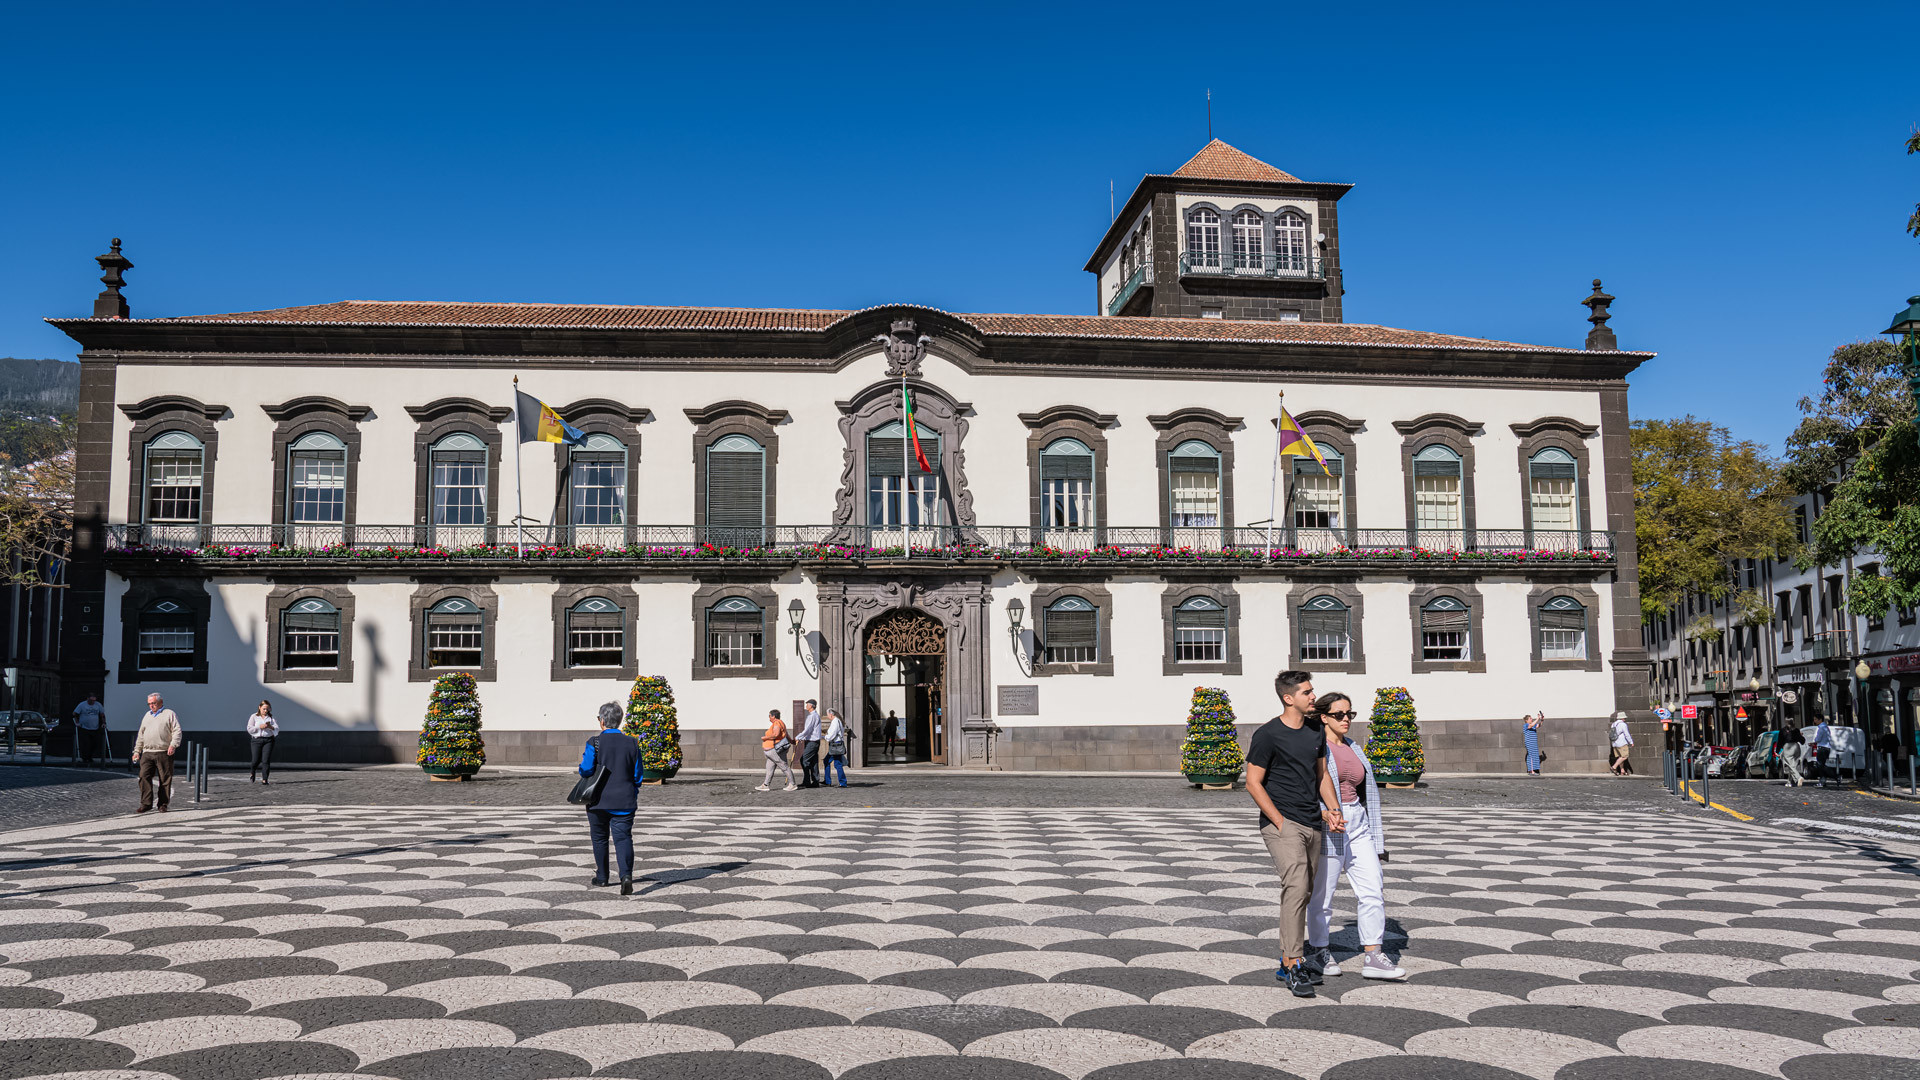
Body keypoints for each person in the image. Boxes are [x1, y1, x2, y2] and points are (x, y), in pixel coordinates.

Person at [1246, 669, 1345, 999]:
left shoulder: (1315, 730)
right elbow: (1253, 782)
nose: (1313, 696)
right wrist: (1278, 821)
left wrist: (1332, 809)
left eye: (1311, 690)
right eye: (1307, 692)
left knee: (1305, 891)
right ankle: (1292, 963)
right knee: (1297, 885)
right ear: (1289, 698)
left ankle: (1289, 958)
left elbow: (1321, 776)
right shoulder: (1268, 735)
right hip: (1283, 824)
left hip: (1313, 821)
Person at [1305, 693, 1406, 981]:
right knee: (1323, 895)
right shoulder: (1315, 747)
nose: (1346, 719)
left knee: (1373, 888)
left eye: (1349, 713)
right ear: (1323, 717)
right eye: (1339, 714)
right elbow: (1305, 787)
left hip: (1358, 822)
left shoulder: (1353, 747)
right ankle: (1319, 950)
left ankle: (1374, 955)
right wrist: (1323, 813)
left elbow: (1366, 792)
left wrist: (1376, 838)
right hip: (1328, 822)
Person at [578, 702, 644, 893]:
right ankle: (626, 876)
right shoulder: (632, 742)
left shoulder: (594, 742)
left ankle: (602, 877)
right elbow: (638, 775)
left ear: (603, 721)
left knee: (599, 838)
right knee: (623, 838)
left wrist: (582, 769)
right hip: (624, 800)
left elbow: (586, 769)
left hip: (597, 800)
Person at [132, 693, 183, 813]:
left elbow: (177, 731)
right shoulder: (147, 715)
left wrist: (173, 745)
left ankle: (163, 804)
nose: (151, 706)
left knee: (165, 779)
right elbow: (141, 735)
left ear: (160, 702)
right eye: (149, 704)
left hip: (163, 752)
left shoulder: (169, 714)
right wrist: (136, 751)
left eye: (153, 703)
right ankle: (146, 803)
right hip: (147, 752)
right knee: (144, 776)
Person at [756, 709, 797, 792]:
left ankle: (792, 784)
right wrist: (792, 741)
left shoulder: (777, 723)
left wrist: (765, 738)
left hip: (775, 750)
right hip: (771, 752)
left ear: (773, 716)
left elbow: (776, 734)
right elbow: (786, 734)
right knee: (769, 768)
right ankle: (765, 785)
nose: (769, 718)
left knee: (783, 766)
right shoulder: (780, 723)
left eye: (769, 716)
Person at [246, 700, 280, 783]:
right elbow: (249, 729)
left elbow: (277, 729)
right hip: (256, 740)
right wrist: (259, 727)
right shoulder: (254, 716)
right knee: (256, 760)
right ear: (259, 707)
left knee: (266, 760)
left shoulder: (271, 718)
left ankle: (265, 779)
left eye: (267, 709)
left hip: (268, 740)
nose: (265, 711)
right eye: (264, 709)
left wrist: (270, 727)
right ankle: (252, 771)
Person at [71, 693, 106, 768]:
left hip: (95, 727)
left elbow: (102, 714)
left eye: (94, 700)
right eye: (91, 700)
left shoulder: (98, 705)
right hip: (84, 727)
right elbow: (74, 714)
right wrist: (77, 722)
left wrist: (104, 723)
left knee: (94, 743)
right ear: (88, 699)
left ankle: (89, 757)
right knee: (86, 743)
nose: (93, 702)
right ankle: (84, 758)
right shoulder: (82, 705)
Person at [822, 708, 850, 788]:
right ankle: (828, 781)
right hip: (836, 745)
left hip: (835, 746)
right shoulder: (837, 721)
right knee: (827, 761)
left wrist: (826, 737)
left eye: (827, 715)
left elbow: (832, 734)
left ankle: (842, 782)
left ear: (831, 714)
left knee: (837, 764)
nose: (827, 717)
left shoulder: (835, 722)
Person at [798, 699, 823, 788]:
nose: (806, 706)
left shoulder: (813, 716)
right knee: (813, 761)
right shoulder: (812, 715)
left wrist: (798, 737)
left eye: (807, 704)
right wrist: (803, 737)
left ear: (811, 706)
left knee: (804, 759)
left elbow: (808, 729)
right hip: (811, 741)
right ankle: (815, 781)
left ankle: (808, 781)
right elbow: (810, 730)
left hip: (812, 742)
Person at [1608, 711, 1635, 776]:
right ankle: (1614, 767)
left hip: (1615, 743)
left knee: (1620, 757)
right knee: (1624, 756)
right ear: (1623, 718)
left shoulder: (1614, 724)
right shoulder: (1623, 724)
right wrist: (1631, 742)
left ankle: (1622, 771)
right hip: (1622, 743)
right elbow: (1627, 734)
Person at [1811, 717, 1833, 788]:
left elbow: (1818, 738)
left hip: (1822, 748)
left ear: (1820, 720)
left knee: (1820, 765)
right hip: (1827, 748)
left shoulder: (1821, 728)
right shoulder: (1826, 727)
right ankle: (1823, 782)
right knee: (1822, 765)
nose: (1814, 721)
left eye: (1815, 719)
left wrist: (1815, 740)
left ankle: (1836, 776)